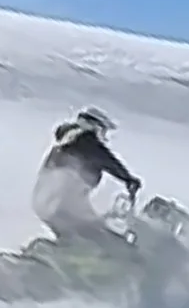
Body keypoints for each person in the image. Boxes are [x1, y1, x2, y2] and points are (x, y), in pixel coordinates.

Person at [33, 107, 141, 257]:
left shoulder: (67, 141)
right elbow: (105, 158)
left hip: (48, 202)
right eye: (103, 131)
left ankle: (66, 261)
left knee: (77, 238)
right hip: (62, 203)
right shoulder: (84, 140)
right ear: (95, 126)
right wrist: (128, 178)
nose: (103, 137)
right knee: (101, 237)